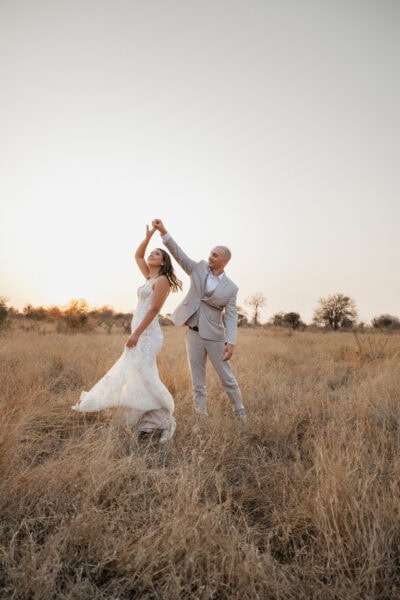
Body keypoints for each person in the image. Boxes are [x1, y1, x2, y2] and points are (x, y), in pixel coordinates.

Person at [72, 225, 182, 444]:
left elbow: (153, 310)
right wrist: (149, 236)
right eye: (152, 252)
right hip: (139, 333)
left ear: (163, 262)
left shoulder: (162, 281)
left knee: (144, 374)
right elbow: (138, 255)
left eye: (157, 253)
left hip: (148, 336)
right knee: (137, 376)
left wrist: (137, 334)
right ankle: (144, 415)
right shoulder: (149, 277)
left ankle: (164, 413)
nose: (151, 254)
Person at [152, 218, 246, 427]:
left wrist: (230, 343)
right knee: (198, 383)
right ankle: (200, 421)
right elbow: (179, 254)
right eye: (210, 253)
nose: (210, 256)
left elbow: (230, 316)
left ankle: (241, 417)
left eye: (215, 254)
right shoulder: (198, 269)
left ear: (224, 261)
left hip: (215, 337)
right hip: (193, 334)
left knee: (227, 380)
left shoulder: (231, 288)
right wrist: (164, 232)